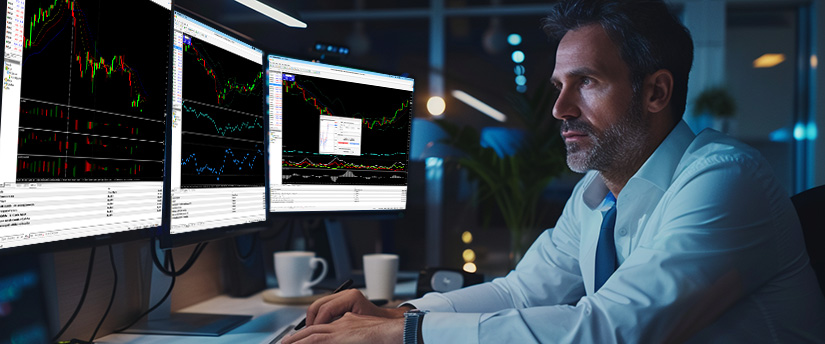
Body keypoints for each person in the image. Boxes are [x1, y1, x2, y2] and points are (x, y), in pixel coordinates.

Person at [283, 0, 825, 342]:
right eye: (559, 86)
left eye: (586, 82)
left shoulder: (724, 180)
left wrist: (400, 335)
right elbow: (521, 293)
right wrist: (394, 311)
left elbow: (611, 331)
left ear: (657, 91)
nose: (559, 108)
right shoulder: (597, 195)